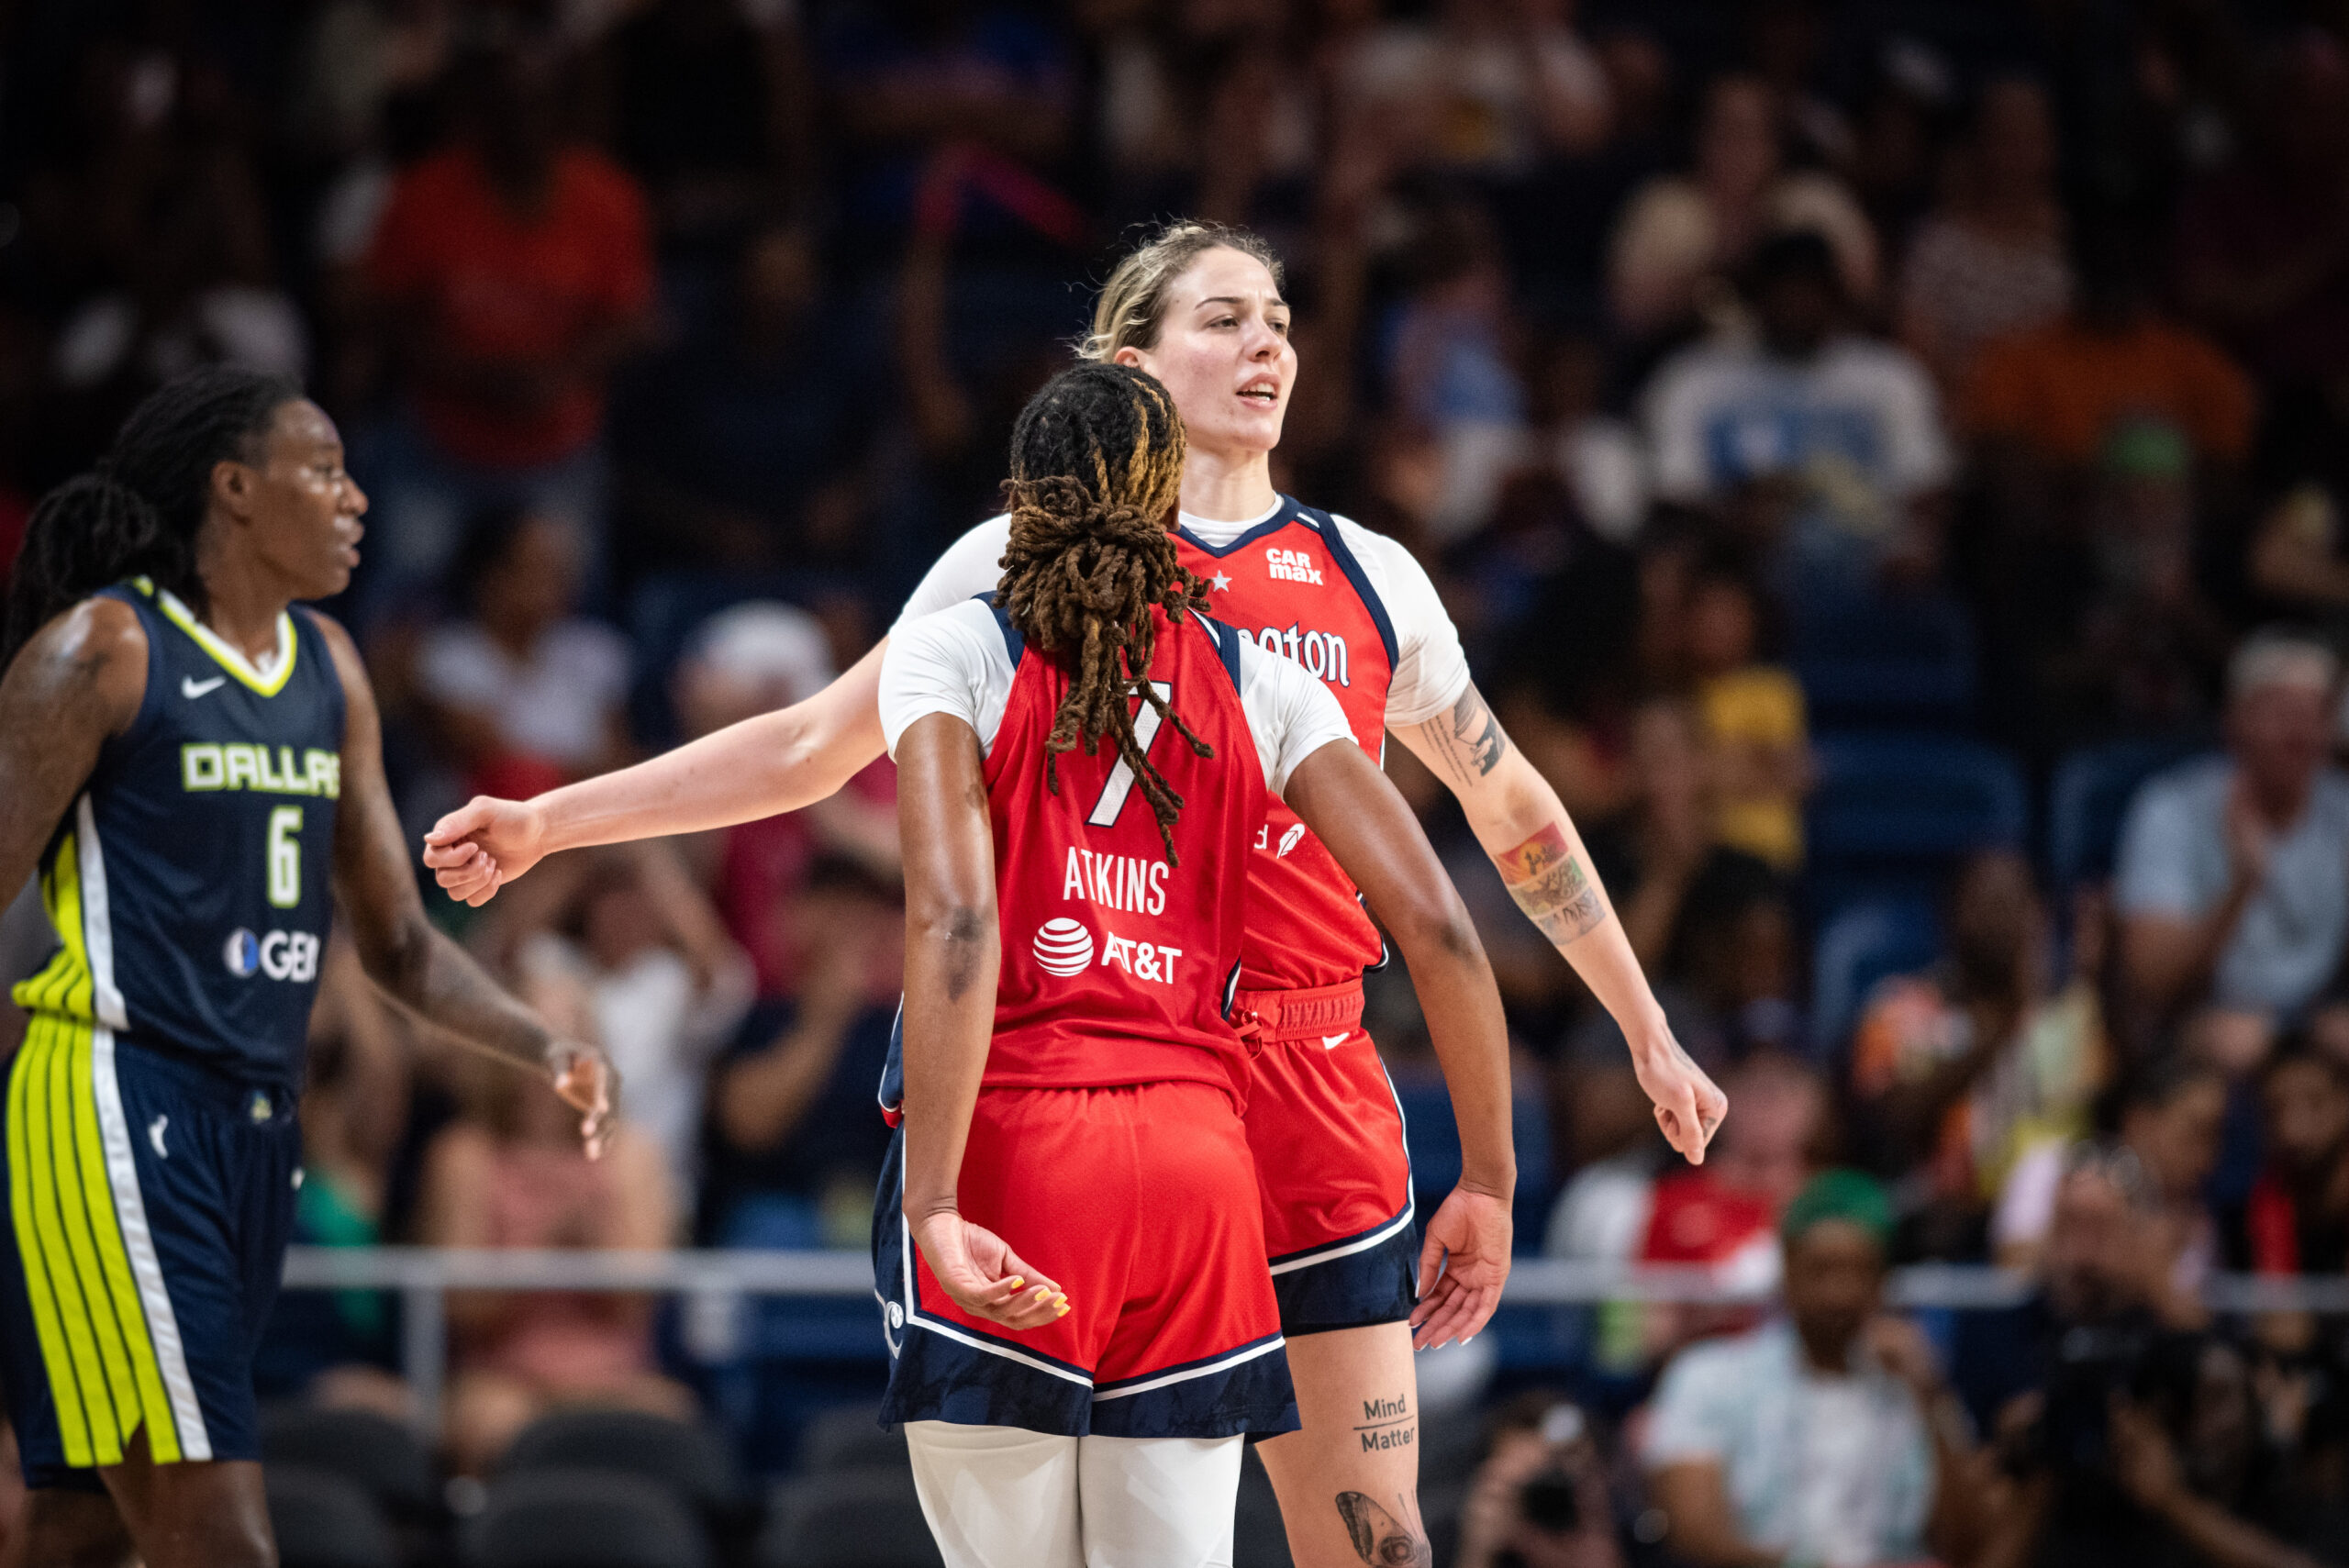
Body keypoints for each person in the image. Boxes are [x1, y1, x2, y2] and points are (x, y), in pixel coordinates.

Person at [423, 219, 1725, 1568]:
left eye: (1278, 317)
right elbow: (812, 745)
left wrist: (1643, 1026)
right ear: (1126, 361)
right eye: (1222, 317)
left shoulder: (1369, 575)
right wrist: (555, 821)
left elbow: (1508, 810)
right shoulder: (1020, 555)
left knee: (1373, 1544)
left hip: (1311, 1069)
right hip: (1120, 1058)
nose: (1265, 340)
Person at [876, 361, 1508, 1563]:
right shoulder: (1260, 676)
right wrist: (1490, 1177)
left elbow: (955, 927)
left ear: (1022, 497)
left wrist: (936, 1201)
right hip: (1197, 1177)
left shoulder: (954, 648)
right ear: (1170, 501)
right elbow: (1440, 925)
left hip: (1015, 1149)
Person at [0, 367, 613, 1568]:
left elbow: (395, 941)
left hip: (254, 1124)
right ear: (234, 489)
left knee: (83, 1523)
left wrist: (542, 1045)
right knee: (222, 1540)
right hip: (116, 1099)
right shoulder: (105, 652)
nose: (357, 498)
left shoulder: (328, 668)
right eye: (323, 469)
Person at [1642, 1170, 1987, 1568]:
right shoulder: (1708, 1376)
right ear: (1787, 1270)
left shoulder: (1909, 1389)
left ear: (1881, 1282)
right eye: (1821, 1270)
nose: (1838, 1293)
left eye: (1858, 1272)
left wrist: (1929, 1397)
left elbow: (1965, 1543)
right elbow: (1694, 1531)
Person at [2115, 633, 2349, 1029]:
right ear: (2235, 722)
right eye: (2281, 713)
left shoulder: (2342, 809)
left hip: (2315, 1019)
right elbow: (2150, 980)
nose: (2299, 733)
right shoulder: (2169, 811)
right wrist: (2241, 886)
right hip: (2201, 1019)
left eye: (2314, 716)